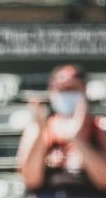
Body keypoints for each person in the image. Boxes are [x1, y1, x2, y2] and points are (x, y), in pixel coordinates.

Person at [17, 64, 106, 197]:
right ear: (51, 91)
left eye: (72, 89)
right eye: (62, 90)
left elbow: (103, 181)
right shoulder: (39, 128)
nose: (67, 94)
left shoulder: (99, 126)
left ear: (84, 90)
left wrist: (78, 139)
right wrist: (41, 133)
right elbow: (31, 180)